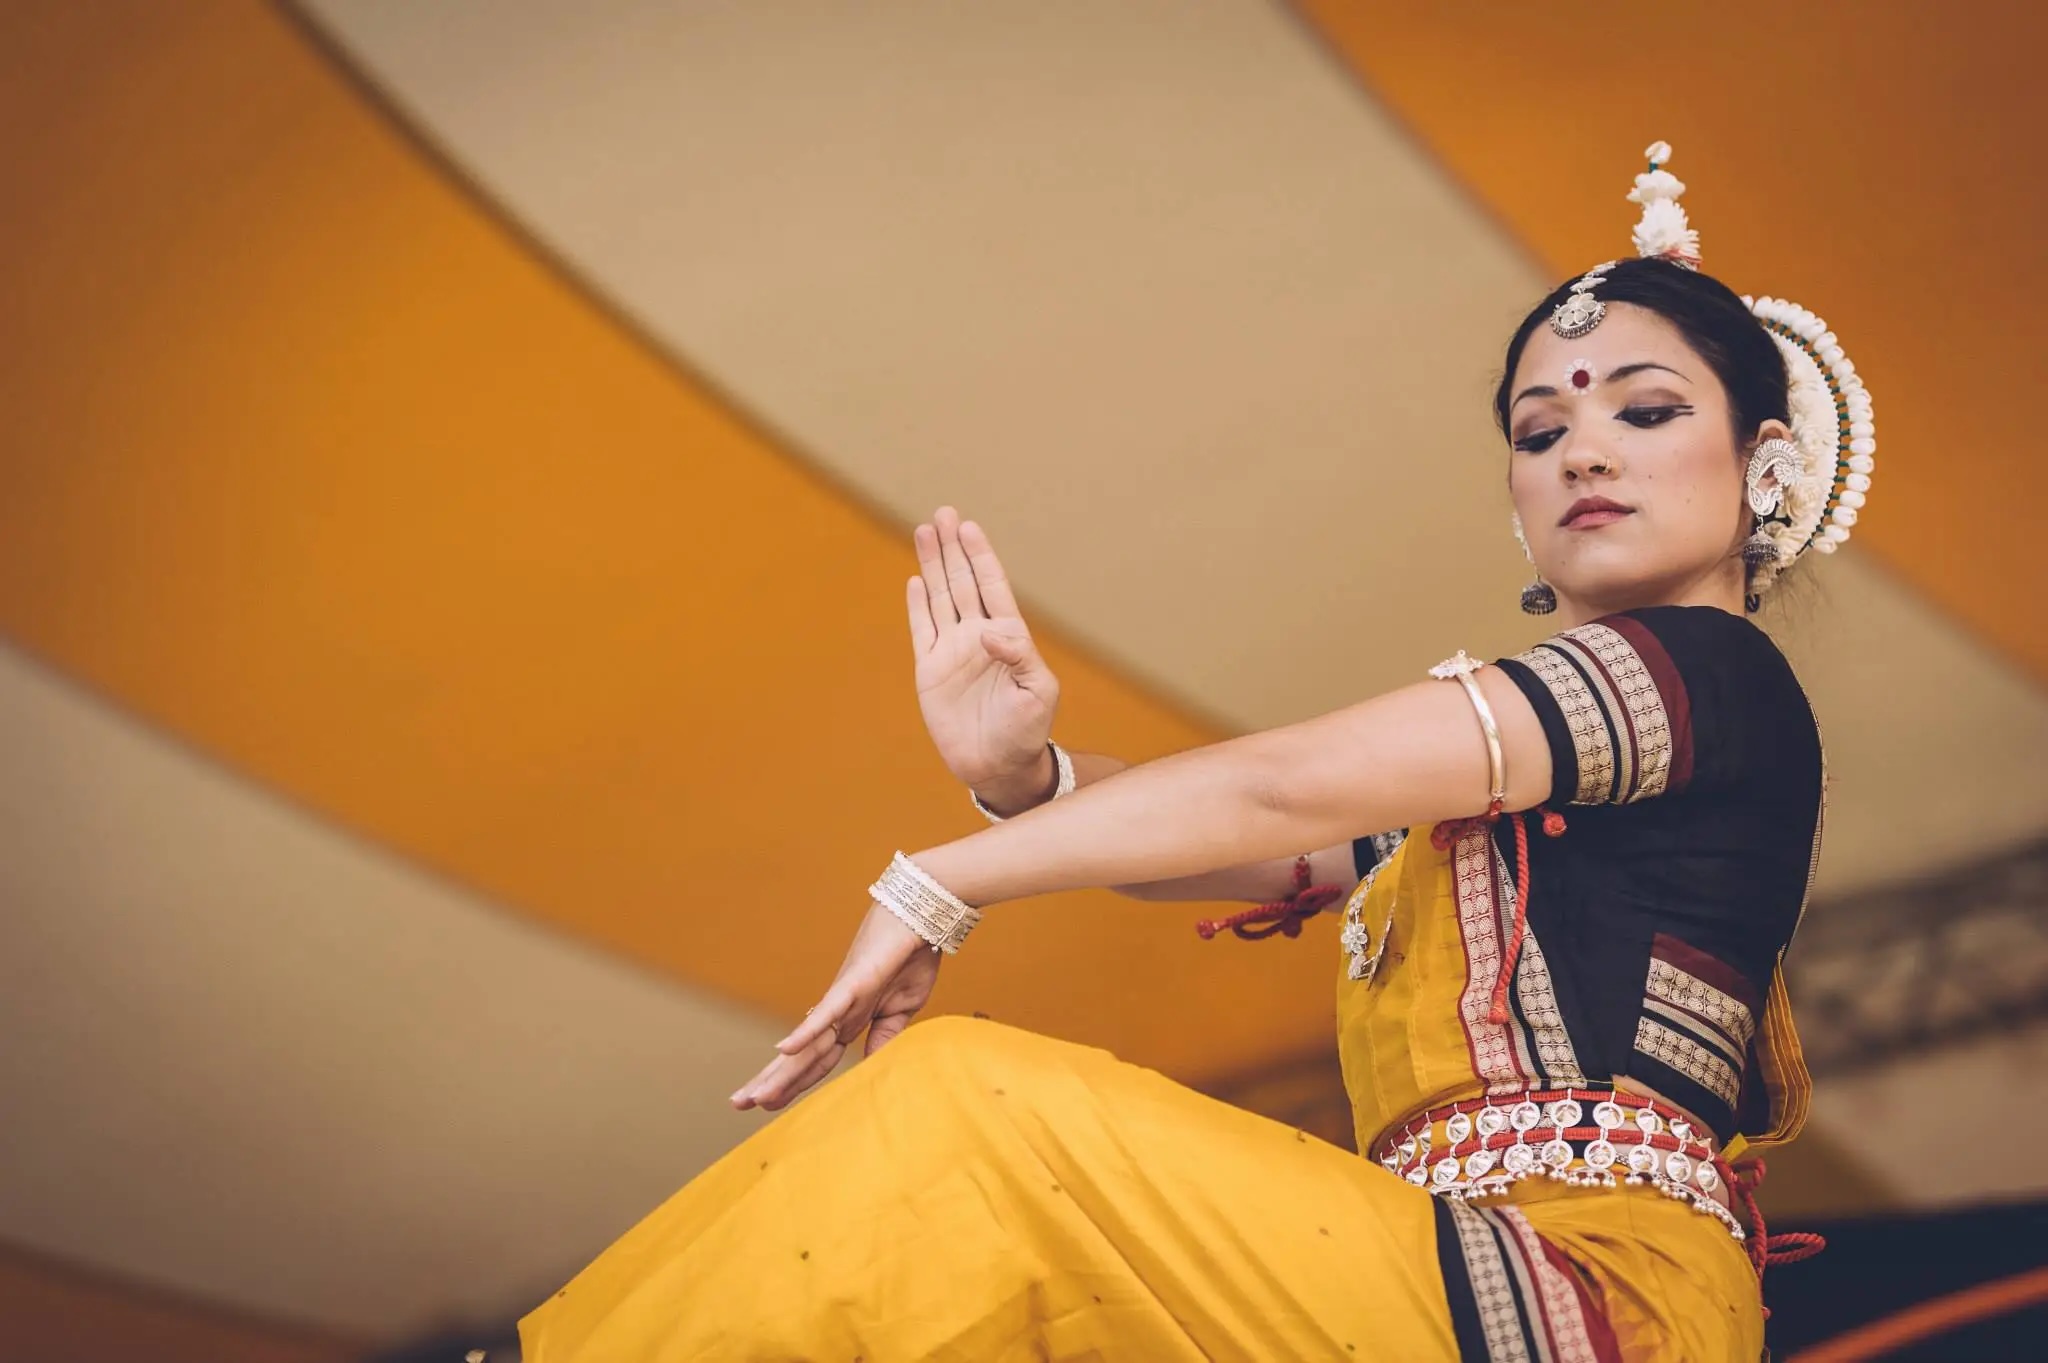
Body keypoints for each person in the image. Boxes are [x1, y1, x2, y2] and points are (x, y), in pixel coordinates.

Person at [518, 142, 1869, 1362]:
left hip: (1586, 1299)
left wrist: (945, 878)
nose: (1584, 453)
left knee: (968, 1109)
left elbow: (1273, 786)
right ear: (1515, 501)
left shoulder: (1708, 678)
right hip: (1438, 1280)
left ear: (1763, 466)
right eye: (1539, 431)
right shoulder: (1490, 786)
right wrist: (1021, 781)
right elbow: (1246, 844)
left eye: (1643, 413)